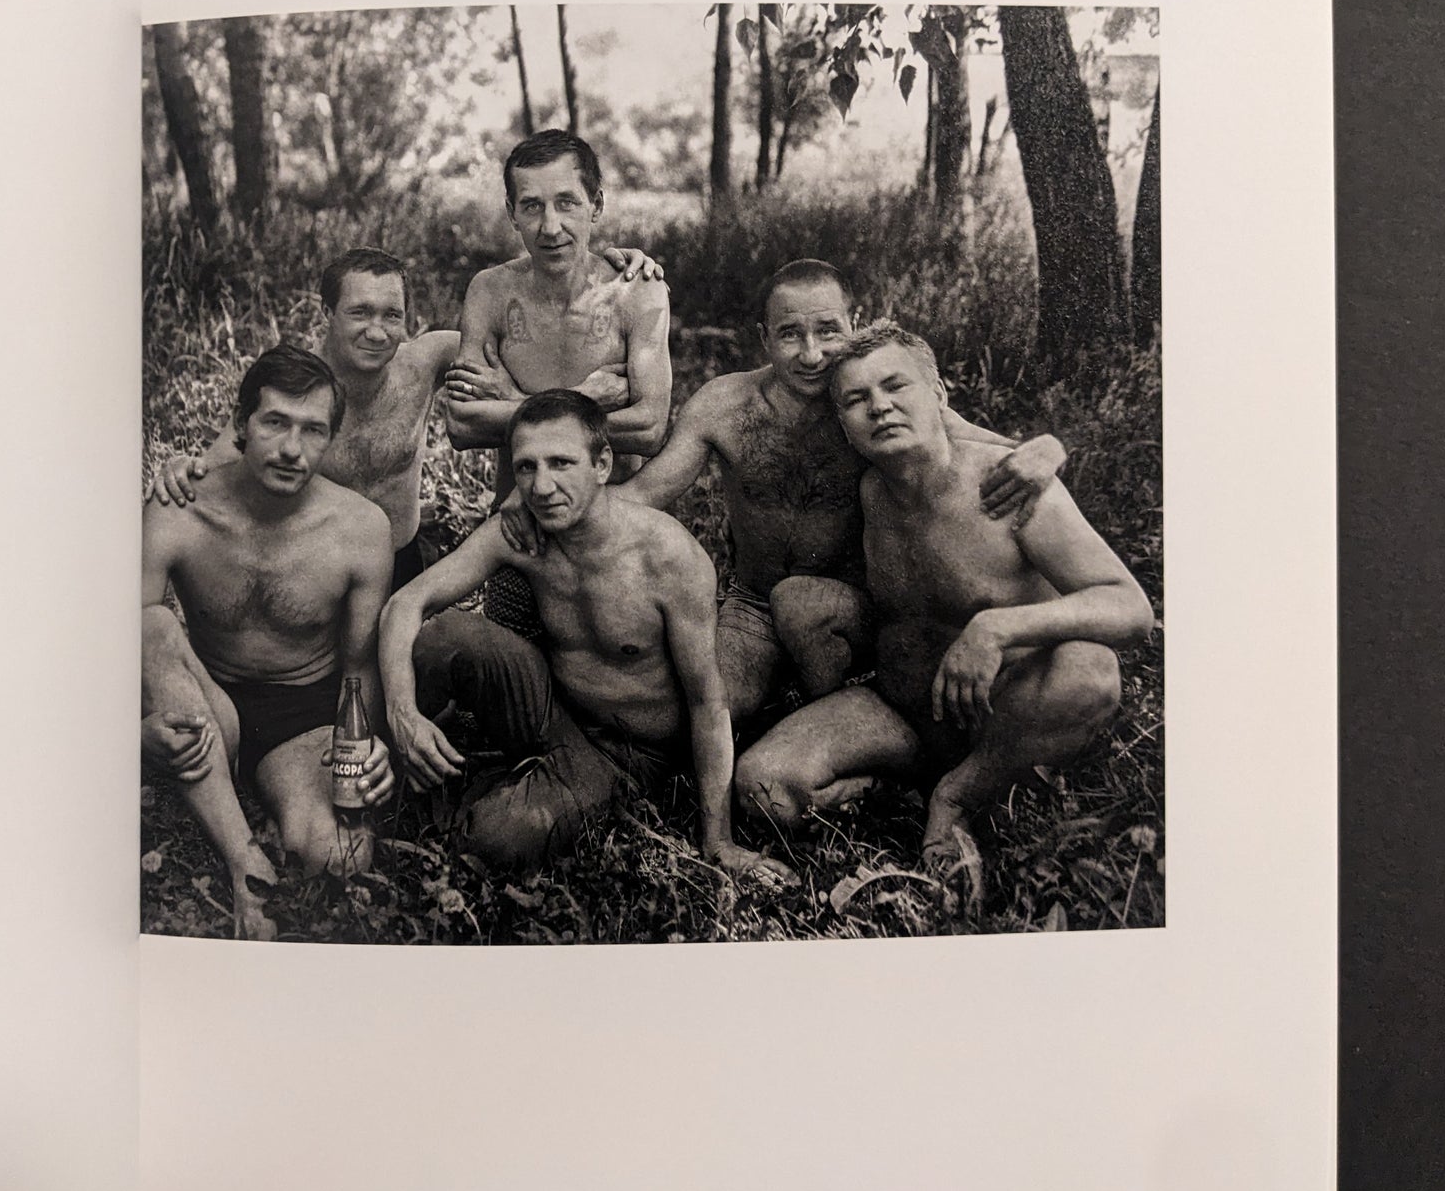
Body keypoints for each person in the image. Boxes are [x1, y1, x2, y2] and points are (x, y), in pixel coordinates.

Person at [500, 259, 1069, 726]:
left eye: (829, 331)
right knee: (710, 712)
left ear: (855, 323)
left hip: (859, 605)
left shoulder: (870, 403)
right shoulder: (725, 405)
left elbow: (987, 444)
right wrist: (545, 495)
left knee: (803, 604)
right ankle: (784, 711)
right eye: (791, 334)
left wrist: (1048, 450)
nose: (813, 354)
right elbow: (648, 491)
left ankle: (827, 710)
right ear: (763, 338)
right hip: (753, 603)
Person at [733, 322, 1153, 898]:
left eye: (895, 387)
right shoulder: (867, 488)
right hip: (904, 711)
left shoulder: (1009, 484)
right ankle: (889, 785)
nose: (879, 408)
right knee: (762, 786)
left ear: (939, 395)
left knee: (1090, 672)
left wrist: (997, 627)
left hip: (1005, 710)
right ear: (844, 425)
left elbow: (1130, 607)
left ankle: (957, 795)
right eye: (856, 400)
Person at [377, 390, 794, 883]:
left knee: (491, 842)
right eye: (526, 467)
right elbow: (406, 603)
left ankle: (486, 783)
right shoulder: (521, 534)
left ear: (601, 464)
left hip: (627, 752)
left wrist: (718, 842)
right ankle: (387, 759)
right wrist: (401, 713)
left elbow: (708, 702)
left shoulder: (667, 558)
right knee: (443, 636)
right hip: (553, 705)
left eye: (561, 463)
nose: (542, 486)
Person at [153, 243, 661, 590]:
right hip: (314, 562)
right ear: (326, 312)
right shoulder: (293, 382)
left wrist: (614, 260)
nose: (377, 332)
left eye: (391, 315)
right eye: (359, 313)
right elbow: (223, 456)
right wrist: (185, 467)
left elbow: (535, 369)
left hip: (402, 556)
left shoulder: (430, 357)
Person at [142, 344, 398, 939]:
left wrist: (367, 742)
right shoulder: (177, 510)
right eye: (275, 422)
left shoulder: (361, 530)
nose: (291, 449)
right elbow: (113, 638)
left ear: (331, 439)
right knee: (149, 622)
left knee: (339, 857)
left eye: (313, 431)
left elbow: (360, 666)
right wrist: (134, 732)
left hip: (302, 713)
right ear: (239, 426)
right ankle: (243, 861)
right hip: (207, 696)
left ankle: (243, 795)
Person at [442, 130, 674, 637]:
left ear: (597, 205)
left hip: (618, 530)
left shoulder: (637, 292)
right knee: (509, 686)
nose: (551, 227)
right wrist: (585, 400)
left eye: (567, 203)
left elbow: (652, 426)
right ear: (511, 212)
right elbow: (461, 424)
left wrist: (513, 403)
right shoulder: (491, 290)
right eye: (532, 207)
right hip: (522, 531)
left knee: (624, 690)